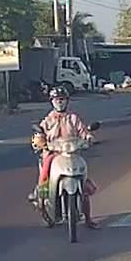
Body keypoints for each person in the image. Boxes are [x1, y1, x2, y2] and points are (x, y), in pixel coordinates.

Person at [29, 87, 99, 229]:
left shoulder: (73, 118)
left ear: (67, 101)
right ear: (52, 102)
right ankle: (40, 194)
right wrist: (40, 141)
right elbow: (39, 135)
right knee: (45, 174)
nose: (60, 102)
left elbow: (83, 131)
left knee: (84, 183)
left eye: (62, 99)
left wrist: (88, 137)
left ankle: (88, 219)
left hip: (72, 153)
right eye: (57, 100)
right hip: (53, 154)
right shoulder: (48, 120)